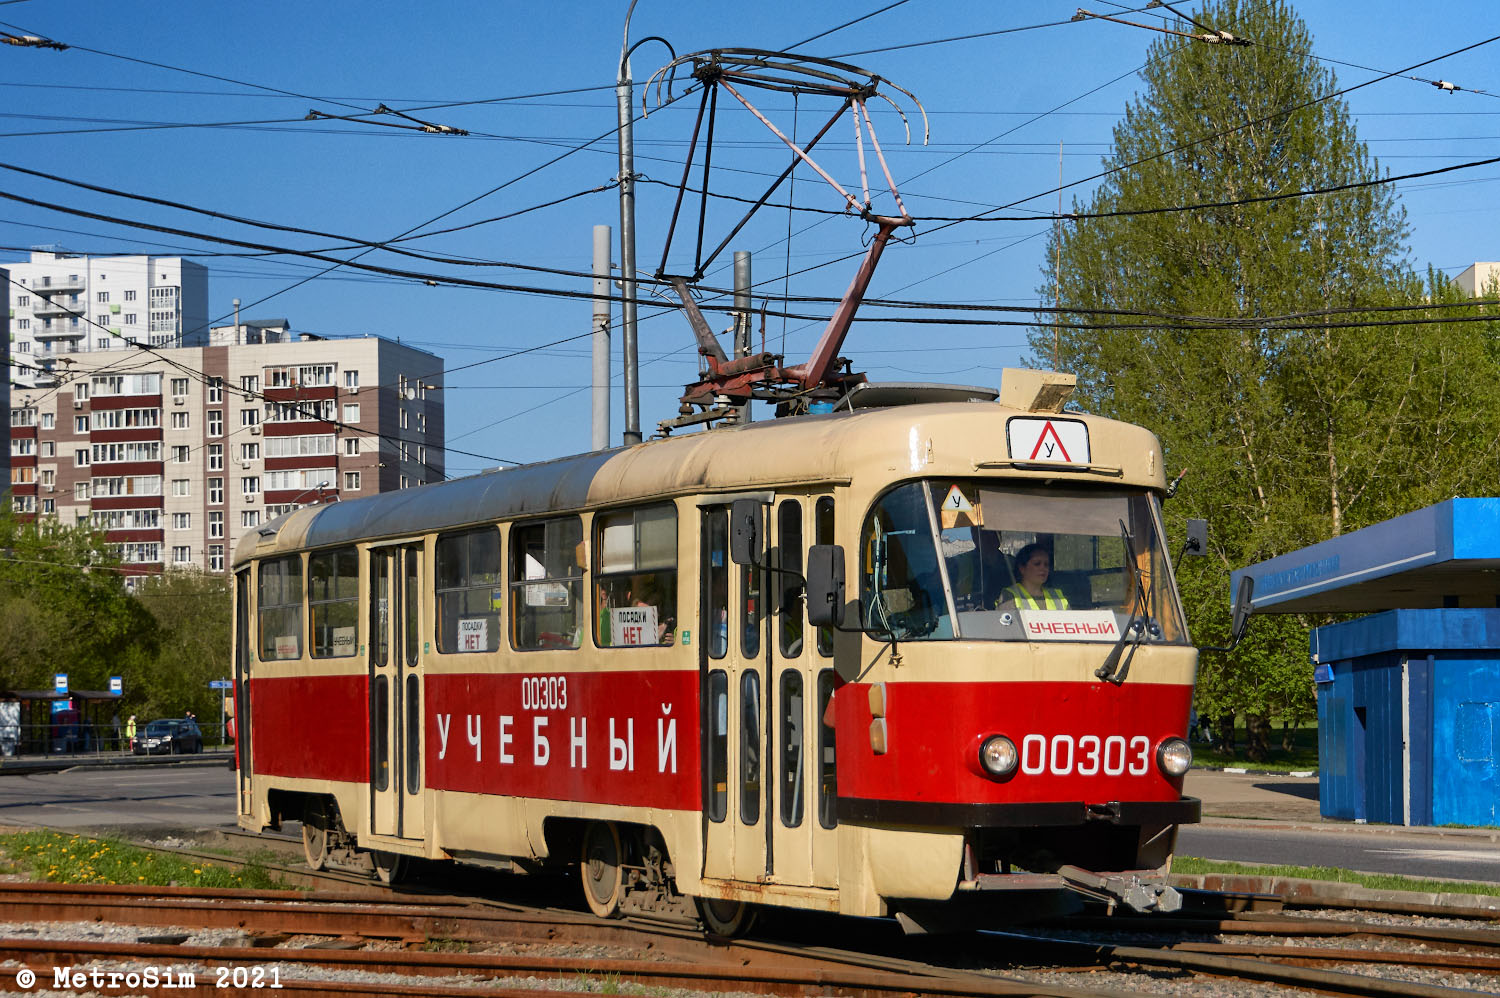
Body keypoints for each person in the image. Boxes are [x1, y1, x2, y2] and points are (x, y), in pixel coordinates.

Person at [1000, 543, 1070, 610]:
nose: (1043, 568)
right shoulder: (1009, 595)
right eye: (1037, 564)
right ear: (1022, 568)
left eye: (1046, 564)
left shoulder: (1057, 596)